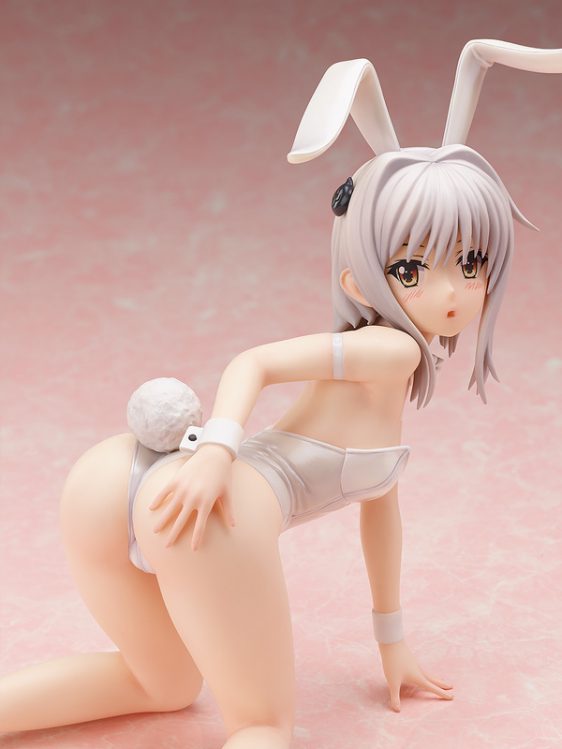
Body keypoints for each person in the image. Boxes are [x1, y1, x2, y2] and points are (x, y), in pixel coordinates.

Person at [1, 39, 561, 749]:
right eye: (412, 269)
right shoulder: (387, 350)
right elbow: (255, 361)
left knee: (160, 685)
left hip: (112, 477)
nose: (452, 290)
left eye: (471, 260)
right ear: (359, 277)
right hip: (217, 503)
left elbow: (381, 514)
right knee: (262, 726)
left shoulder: (385, 371)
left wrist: (392, 643)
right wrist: (216, 455)